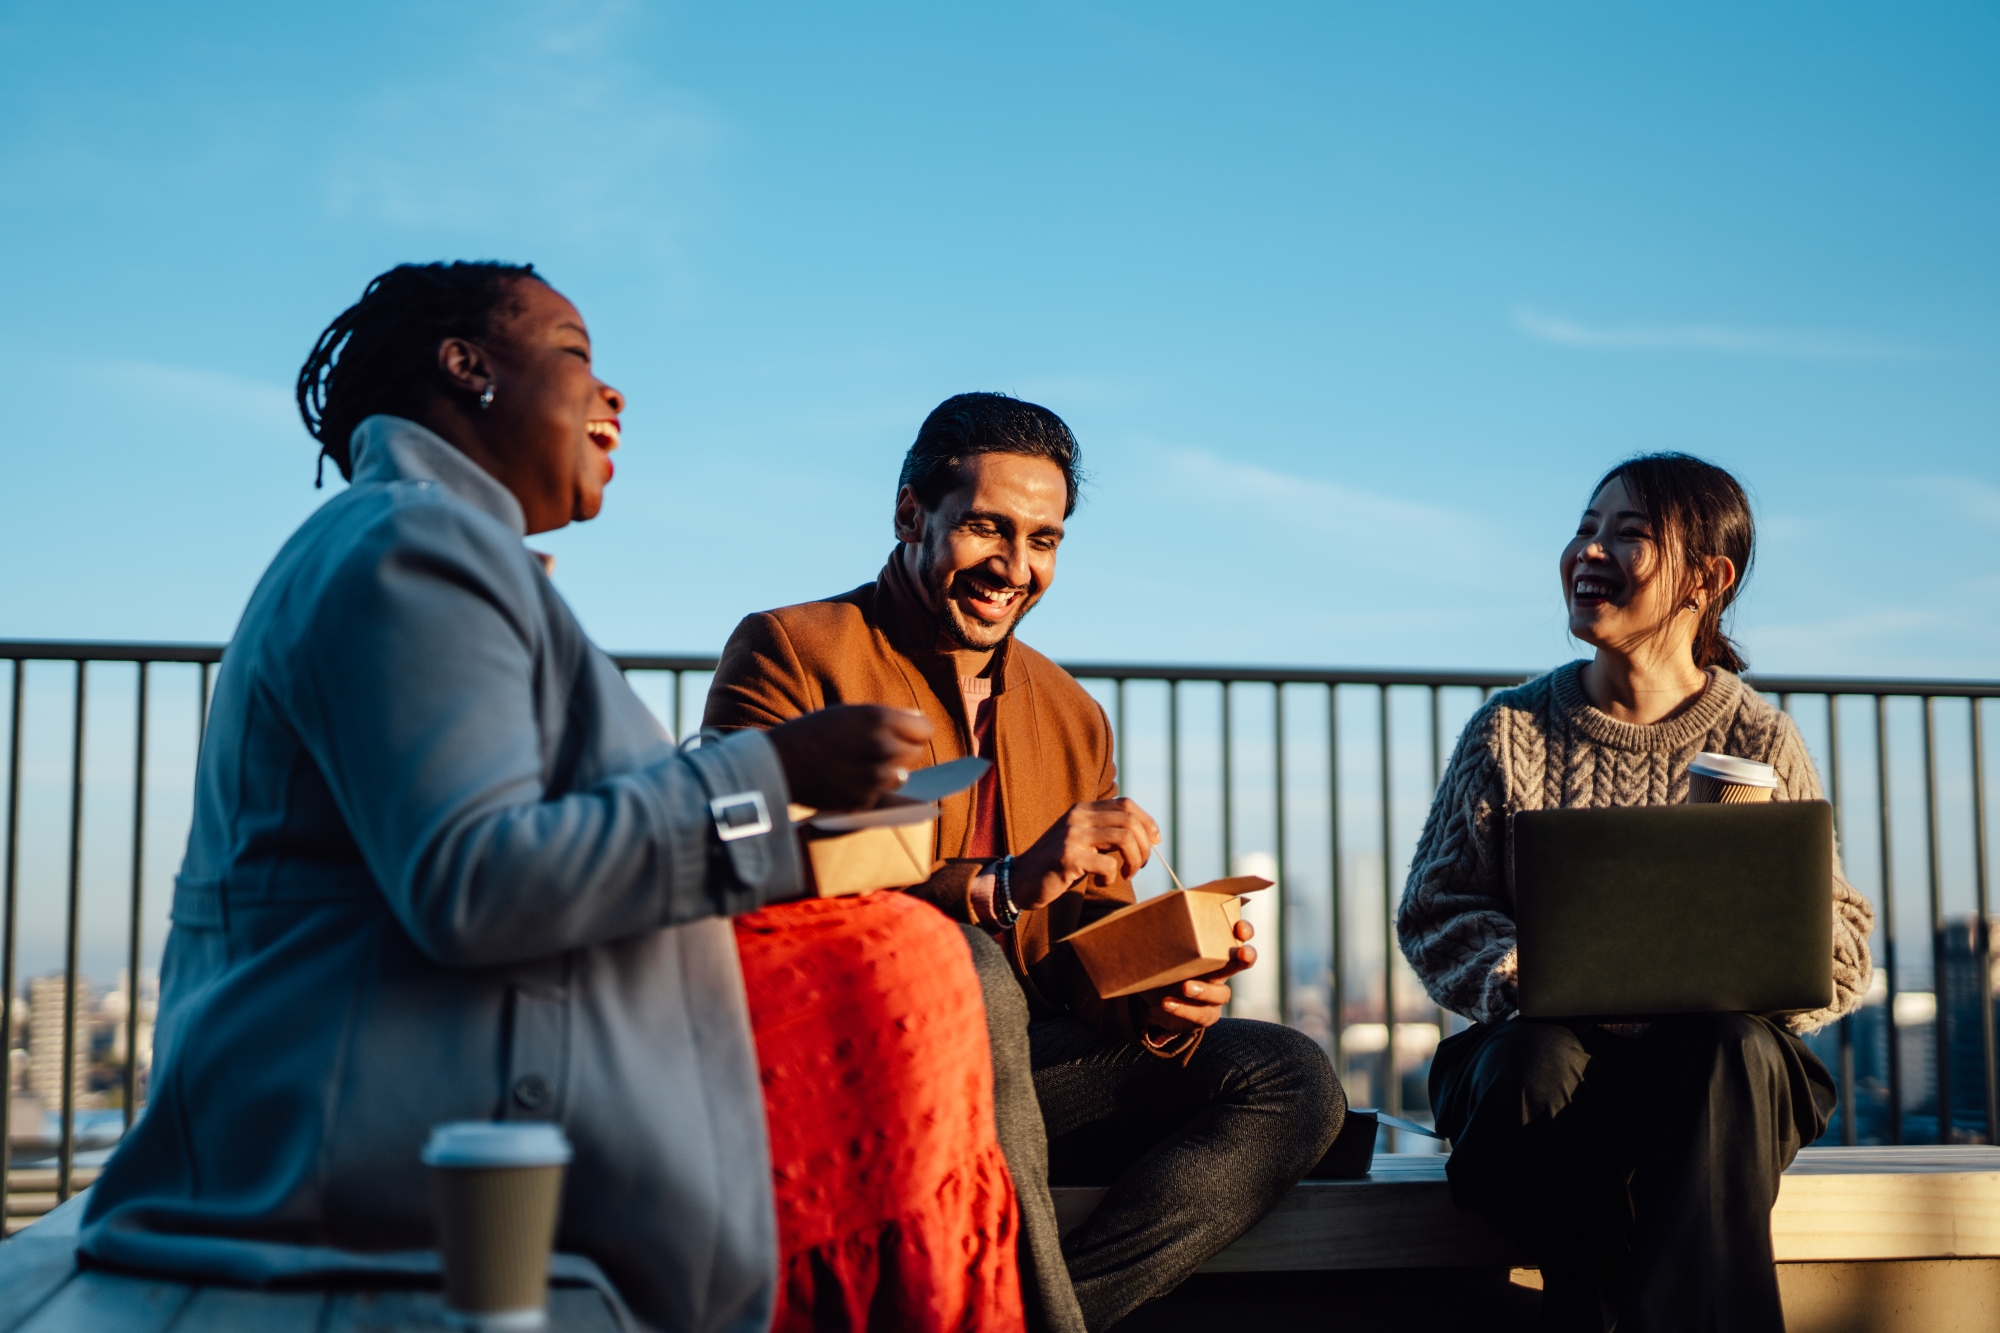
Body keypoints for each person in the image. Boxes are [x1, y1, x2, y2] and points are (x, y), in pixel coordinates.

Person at [78, 262, 1017, 1333]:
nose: (612, 394)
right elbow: (474, 878)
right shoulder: (411, 545)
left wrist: (775, 803)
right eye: (575, 354)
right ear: (465, 367)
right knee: (909, 967)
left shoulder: (435, 546)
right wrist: (778, 775)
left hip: (398, 1098)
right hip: (382, 1143)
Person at [705, 392, 1345, 1332]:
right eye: (987, 529)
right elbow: (746, 876)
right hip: (847, 1061)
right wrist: (999, 886)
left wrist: (1158, 990)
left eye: (1043, 539)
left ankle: (1043, 1318)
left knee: (1294, 1076)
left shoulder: (1073, 711)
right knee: (967, 968)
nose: (1016, 567)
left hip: (1020, 1073)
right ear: (910, 514)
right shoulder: (792, 651)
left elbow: (1088, 958)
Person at [1397, 452, 1874, 1332]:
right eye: (1585, 527)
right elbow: (1436, 910)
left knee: (1726, 1048)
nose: (1589, 551)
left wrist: (1752, 965)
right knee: (1533, 1061)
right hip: (1543, 1066)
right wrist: (1527, 974)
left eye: (1628, 534)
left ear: (1708, 578)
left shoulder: (1757, 735)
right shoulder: (1511, 728)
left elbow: (1842, 935)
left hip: (1713, 1082)